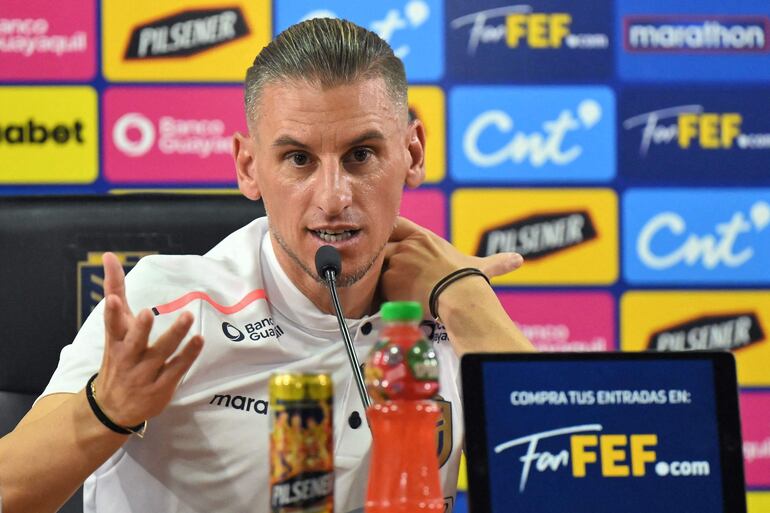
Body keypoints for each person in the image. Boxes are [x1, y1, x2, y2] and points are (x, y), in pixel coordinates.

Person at [0, 18, 532, 513]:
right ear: (249, 167)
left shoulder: (452, 310)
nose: (333, 197)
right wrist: (106, 410)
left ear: (412, 154)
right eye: (299, 159)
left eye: (361, 155)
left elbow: (575, 476)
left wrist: (465, 297)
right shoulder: (171, 306)